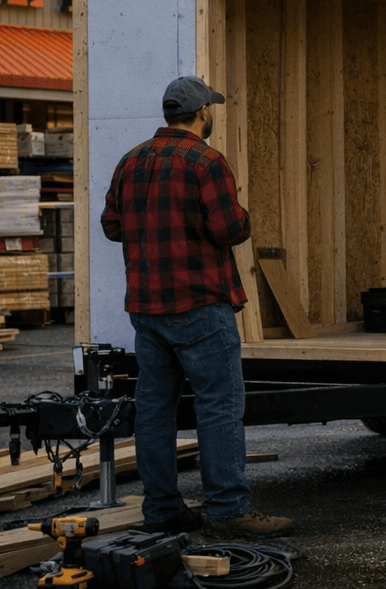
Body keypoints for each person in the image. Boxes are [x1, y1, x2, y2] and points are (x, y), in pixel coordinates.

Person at [101, 75, 293, 537]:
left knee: (154, 410)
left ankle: (163, 509)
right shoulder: (206, 161)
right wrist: (245, 214)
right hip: (200, 306)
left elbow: (111, 226)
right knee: (219, 407)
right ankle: (227, 509)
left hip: (147, 310)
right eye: (211, 108)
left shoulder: (131, 161)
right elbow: (230, 228)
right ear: (203, 112)